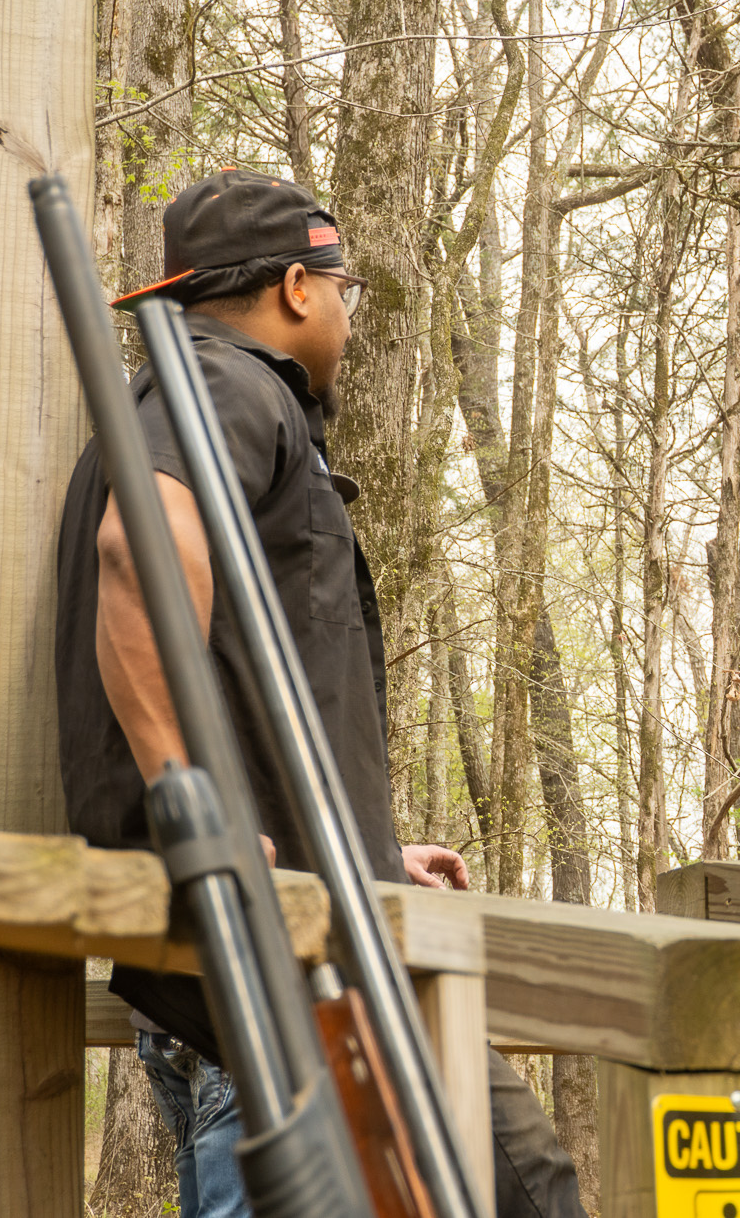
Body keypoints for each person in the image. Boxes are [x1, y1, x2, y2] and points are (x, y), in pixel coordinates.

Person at [55, 168, 586, 1218]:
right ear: (298, 287)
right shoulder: (227, 383)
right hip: (273, 959)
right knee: (524, 1180)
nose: (350, 314)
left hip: (283, 935)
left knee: (508, 1176)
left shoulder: (181, 395)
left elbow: (244, 671)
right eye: (346, 289)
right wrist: (196, 805)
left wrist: (368, 848)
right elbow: (139, 553)